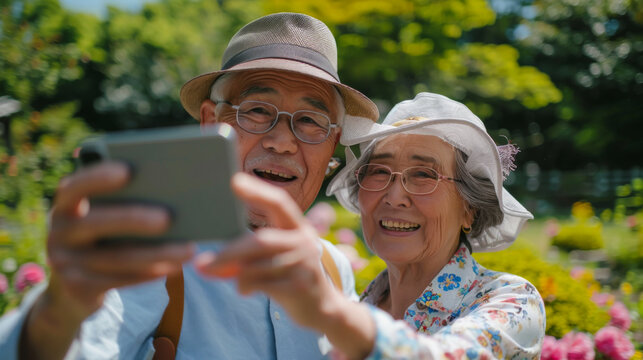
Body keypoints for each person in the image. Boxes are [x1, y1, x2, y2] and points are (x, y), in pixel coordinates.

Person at [0, 12, 380, 359]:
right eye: (258, 111)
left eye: (311, 120)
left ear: (333, 143)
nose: (282, 142)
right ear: (209, 122)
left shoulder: (333, 268)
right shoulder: (156, 255)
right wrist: (57, 311)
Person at [200, 92, 546, 359]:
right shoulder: (360, 302)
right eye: (379, 172)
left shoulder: (510, 301)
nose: (395, 197)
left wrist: (331, 314)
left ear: (469, 209)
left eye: (423, 175)